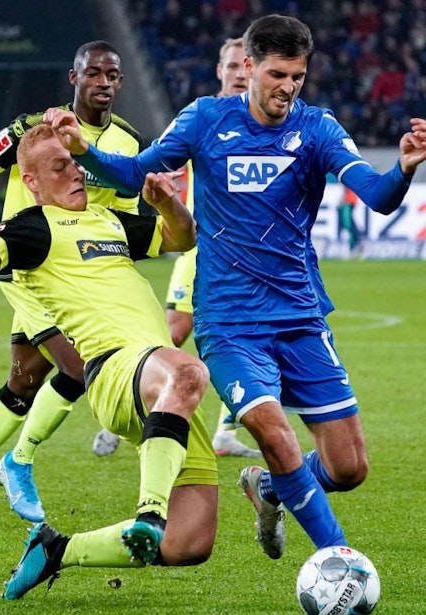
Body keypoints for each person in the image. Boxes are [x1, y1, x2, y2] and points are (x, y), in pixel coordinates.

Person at [44, 14, 426, 559]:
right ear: (248, 66)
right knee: (277, 436)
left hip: (300, 317)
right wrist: (84, 154)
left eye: (298, 76)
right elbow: (137, 173)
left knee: (348, 469)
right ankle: (341, 561)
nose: (288, 88)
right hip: (230, 324)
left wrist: (404, 169)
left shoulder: (317, 128)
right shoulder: (206, 119)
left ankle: (271, 488)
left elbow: (376, 193)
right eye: (278, 74)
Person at [0, 124, 218, 600]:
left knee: (190, 543)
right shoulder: (34, 227)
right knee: (189, 370)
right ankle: (149, 511)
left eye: (74, 163)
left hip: (159, 387)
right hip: (116, 369)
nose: (76, 172)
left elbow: (182, 238)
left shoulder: (108, 222)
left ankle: (57, 549)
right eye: (60, 167)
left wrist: (167, 203)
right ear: (31, 181)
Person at [0, 40, 142, 527]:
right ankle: (19, 462)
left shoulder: (129, 143)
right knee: (77, 367)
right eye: (93, 73)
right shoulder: (35, 129)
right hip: (25, 263)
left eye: (112, 75)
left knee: (25, 380)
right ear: (74, 78)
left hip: (78, 275)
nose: (104, 84)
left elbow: (124, 216)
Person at [133, 37, 261, 459]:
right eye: (232, 67)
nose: (240, 74)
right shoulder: (201, 117)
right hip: (204, 249)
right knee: (174, 332)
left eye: (246, 67)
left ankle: (225, 431)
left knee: (253, 341)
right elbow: (158, 160)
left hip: (254, 258)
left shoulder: (270, 120)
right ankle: (137, 396)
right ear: (220, 71)